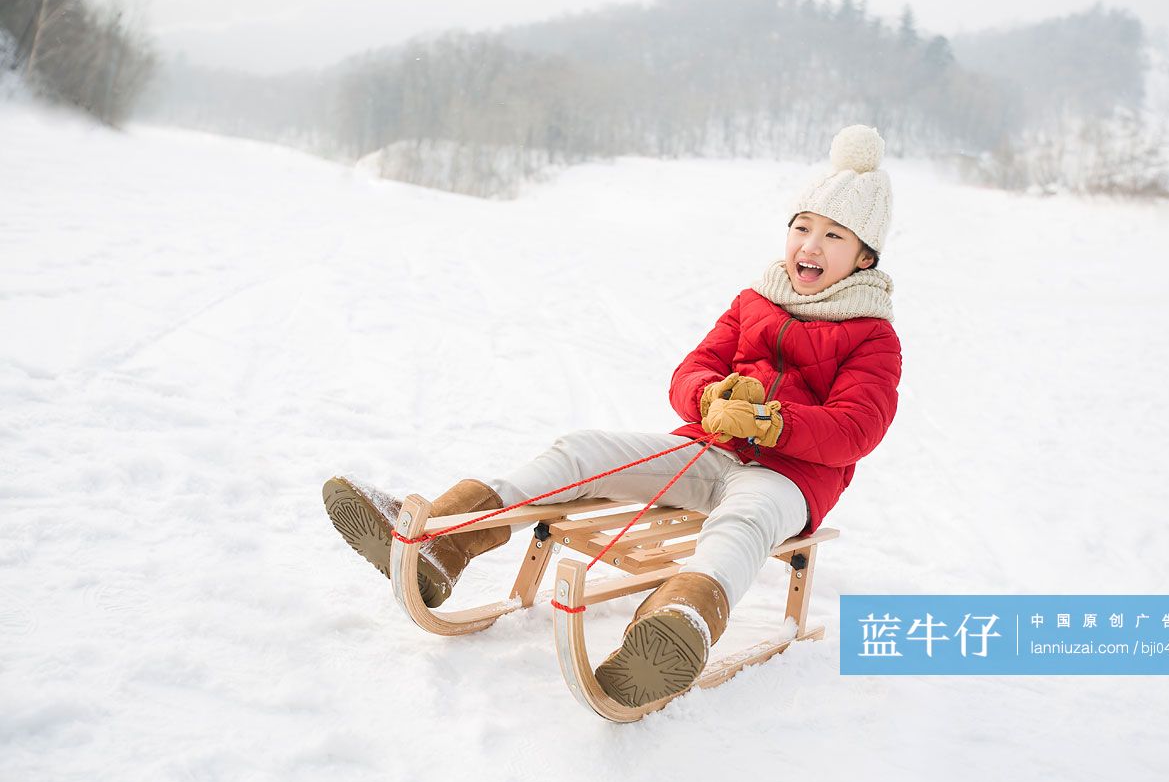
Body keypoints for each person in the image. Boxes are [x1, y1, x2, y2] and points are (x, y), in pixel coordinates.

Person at [323, 123, 903, 708]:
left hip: (790, 479)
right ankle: (443, 544)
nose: (810, 245)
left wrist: (773, 424)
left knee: (743, 521)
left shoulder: (873, 335)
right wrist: (709, 399)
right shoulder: (755, 300)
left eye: (833, 235)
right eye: (802, 227)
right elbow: (691, 370)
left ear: (863, 255)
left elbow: (858, 428)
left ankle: (678, 627)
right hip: (708, 450)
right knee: (583, 451)